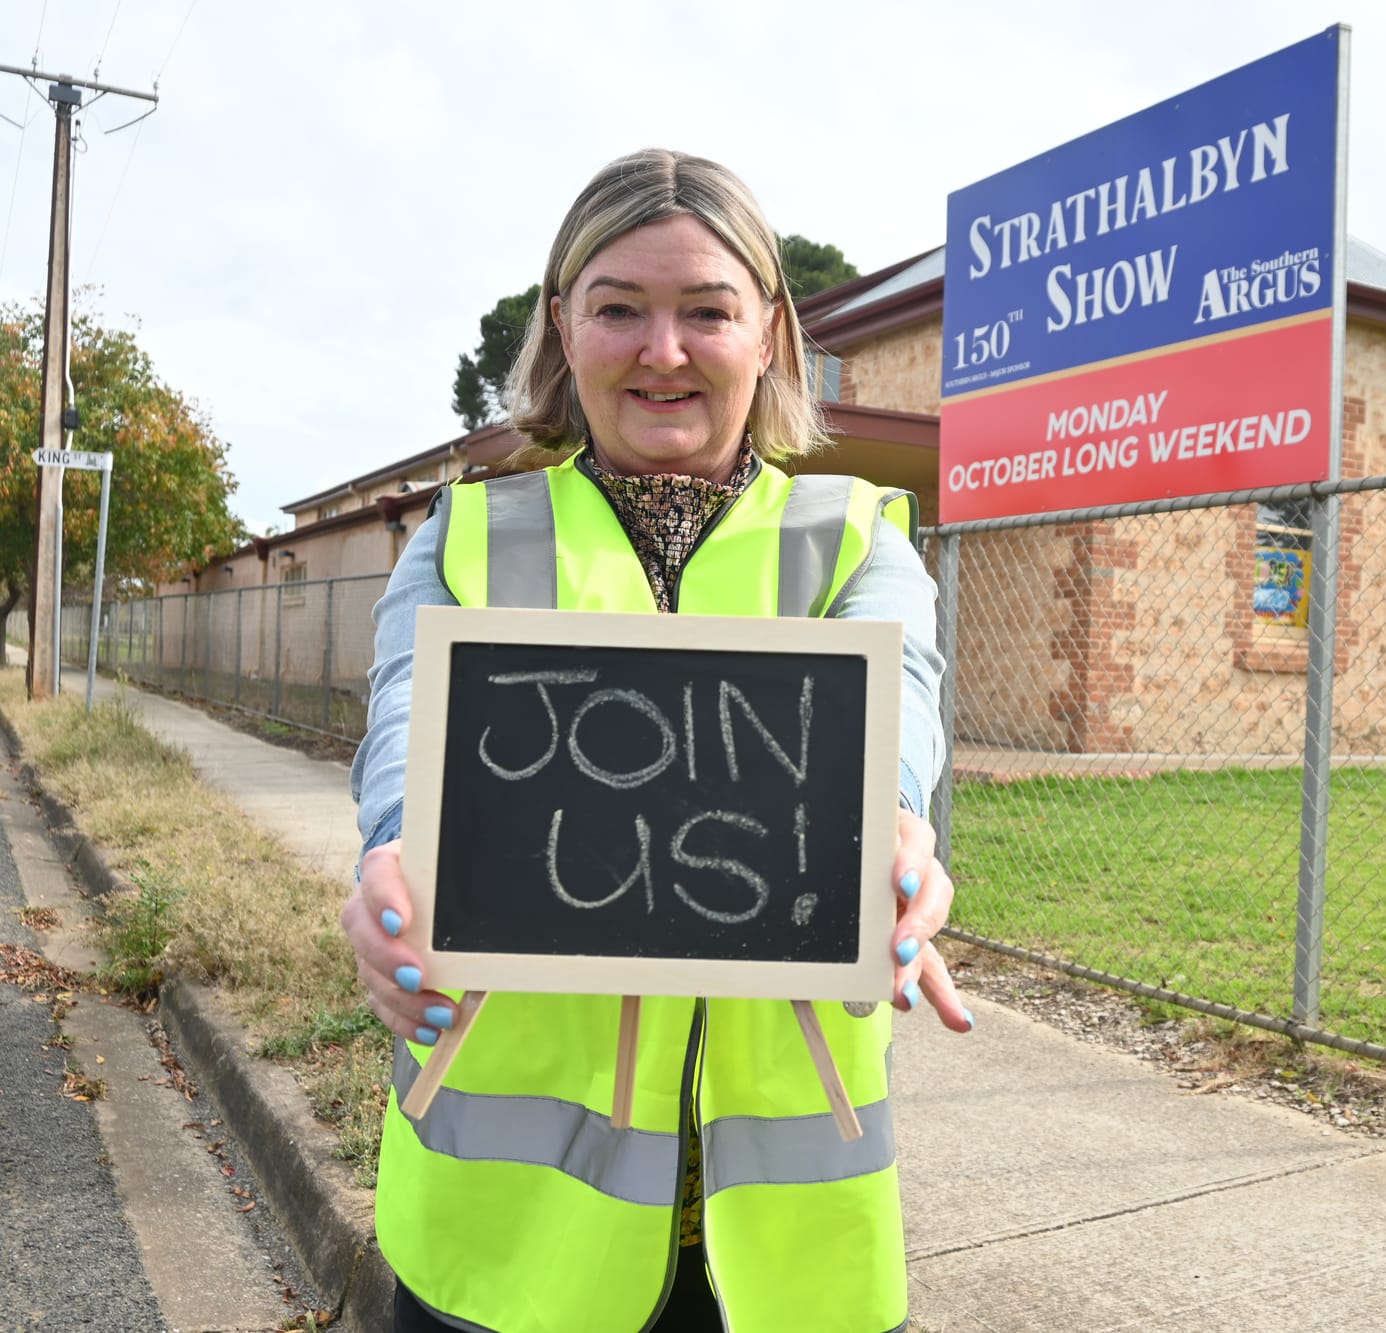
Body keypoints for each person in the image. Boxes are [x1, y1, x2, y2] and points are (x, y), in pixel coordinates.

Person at [344, 148, 973, 1333]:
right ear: (561, 326)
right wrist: (390, 865)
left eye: (706, 311)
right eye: (620, 308)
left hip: (783, 1257)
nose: (663, 349)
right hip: (510, 1249)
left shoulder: (857, 543)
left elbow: (894, 725)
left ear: (770, 331)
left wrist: (893, 838)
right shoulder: (467, 539)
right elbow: (403, 740)